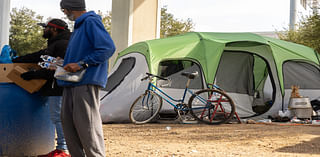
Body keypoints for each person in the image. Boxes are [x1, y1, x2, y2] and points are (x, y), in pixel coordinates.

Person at [58, 0, 116, 156]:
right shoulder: (79, 26)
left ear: (69, 9)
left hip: (86, 81)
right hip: (72, 82)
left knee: (87, 127)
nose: (64, 13)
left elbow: (107, 48)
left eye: (64, 10)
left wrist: (82, 64)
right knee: (69, 125)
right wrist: (62, 64)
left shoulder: (90, 21)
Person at [12, 19, 71, 157]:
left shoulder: (63, 45)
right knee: (58, 117)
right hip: (55, 87)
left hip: (59, 87)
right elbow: (39, 56)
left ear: (54, 30)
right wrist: (16, 60)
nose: (44, 30)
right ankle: (62, 148)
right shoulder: (57, 43)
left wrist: (34, 75)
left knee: (59, 118)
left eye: (46, 27)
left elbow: (58, 69)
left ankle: (63, 150)